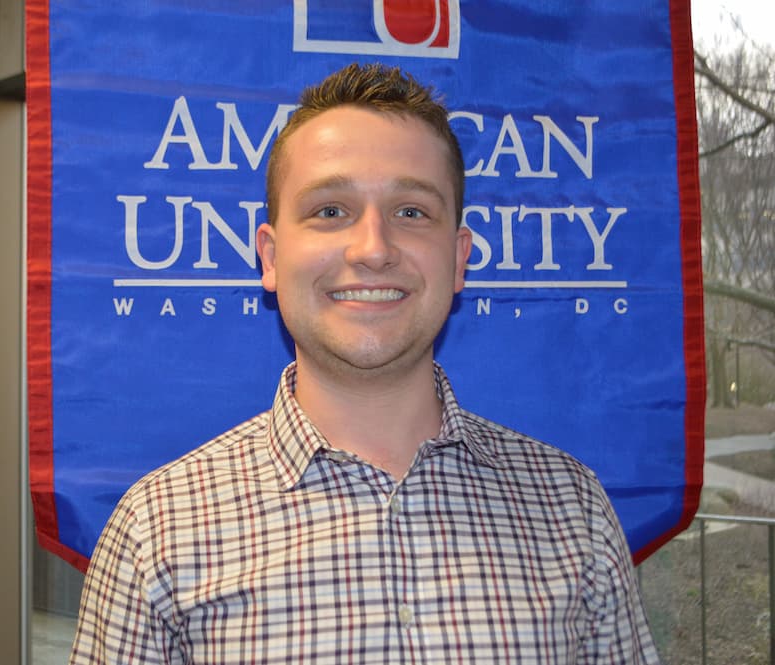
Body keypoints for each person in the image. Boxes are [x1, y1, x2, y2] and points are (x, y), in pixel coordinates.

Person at [69, 63, 659, 664]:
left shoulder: (572, 509)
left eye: (411, 212)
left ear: (460, 259)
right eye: (330, 211)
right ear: (270, 257)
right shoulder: (157, 530)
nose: (374, 249)